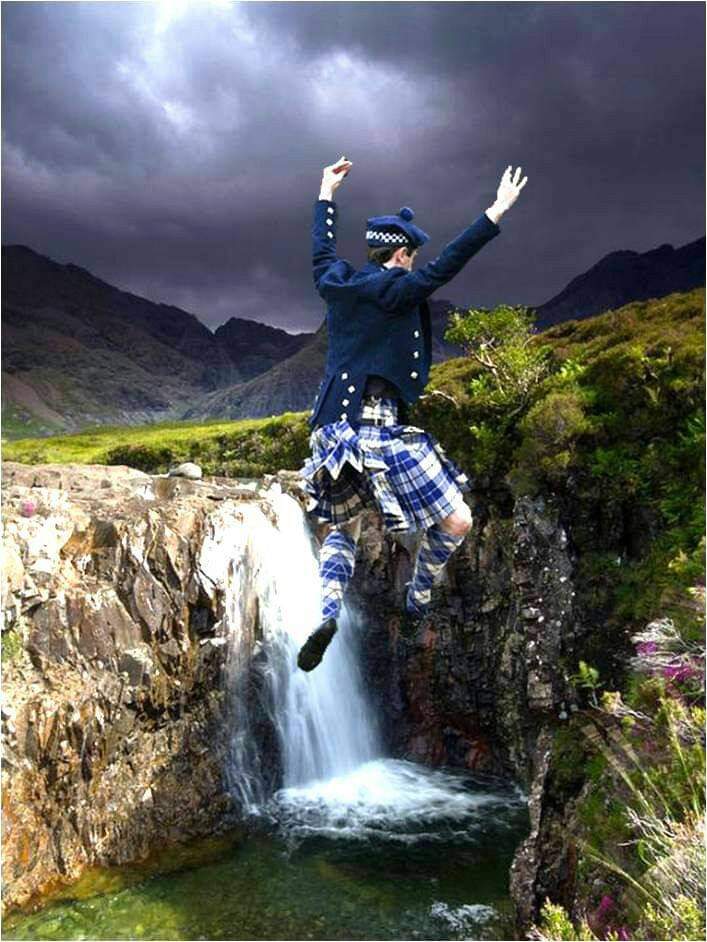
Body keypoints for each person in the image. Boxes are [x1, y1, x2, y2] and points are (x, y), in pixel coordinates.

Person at [296, 156, 528, 671]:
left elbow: (320, 253)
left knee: (342, 530)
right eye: (411, 254)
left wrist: (325, 193)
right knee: (458, 519)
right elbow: (447, 264)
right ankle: (418, 596)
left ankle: (328, 611)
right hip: (380, 428)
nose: (413, 262)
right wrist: (494, 213)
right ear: (400, 254)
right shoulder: (397, 288)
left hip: (333, 430)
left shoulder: (337, 282)